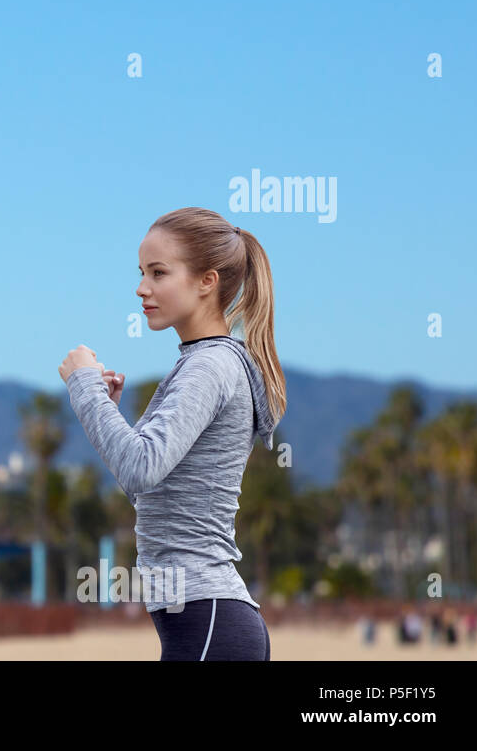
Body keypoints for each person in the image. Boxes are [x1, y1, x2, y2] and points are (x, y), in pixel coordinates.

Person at [58, 207, 285, 661]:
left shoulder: (208, 367)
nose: (142, 288)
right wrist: (108, 410)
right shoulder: (201, 363)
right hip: (205, 624)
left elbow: (140, 468)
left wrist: (84, 388)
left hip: (209, 622)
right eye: (142, 273)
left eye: (158, 273)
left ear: (207, 281)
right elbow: (153, 492)